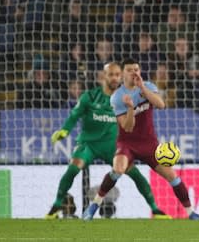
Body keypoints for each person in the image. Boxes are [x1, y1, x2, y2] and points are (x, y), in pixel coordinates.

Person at [82, 59, 199, 220]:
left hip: (150, 144)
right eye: (130, 70)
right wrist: (131, 108)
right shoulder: (117, 98)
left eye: (136, 69)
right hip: (127, 144)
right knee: (118, 169)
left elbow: (161, 105)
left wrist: (143, 89)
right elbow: (127, 127)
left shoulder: (149, 87)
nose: (134, 73)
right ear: (123, 74)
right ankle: (93, 206)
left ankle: (191, 213)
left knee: (172, 176)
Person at [45, 63, 169, 220]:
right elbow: (74, 116)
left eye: (118, 74)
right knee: (73, 169)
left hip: (113, 147)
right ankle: (55, 207)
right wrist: (64, 130)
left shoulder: (123, 97)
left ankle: (155, 209)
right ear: (103, 76)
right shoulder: (89, 97)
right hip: (89, 144)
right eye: (111, 74)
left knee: (136, 174)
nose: (115, 78)